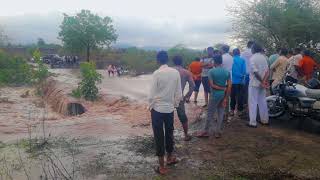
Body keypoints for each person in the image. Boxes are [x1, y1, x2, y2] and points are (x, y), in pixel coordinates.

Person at [148, 51, 182, 175]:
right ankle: (170, 157)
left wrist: (150, 106)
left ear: (158, 61)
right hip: (169, 109)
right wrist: (174, 105)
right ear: (167, 60)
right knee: (169, 132)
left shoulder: (157, 73)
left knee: (158, 136)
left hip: (157, 109)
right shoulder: (175, 72)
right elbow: (179, 93)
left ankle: (162, 167)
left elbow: (151, 94)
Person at [196, 54, 231, 138]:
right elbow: (229, 86)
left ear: (214, 61)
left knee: (210, 113)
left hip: (214, 95)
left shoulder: (211, 71)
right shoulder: (226, 71)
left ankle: (205, 131)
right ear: (221, 61)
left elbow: (212, 85)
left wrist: (221, 88)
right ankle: (218, 132)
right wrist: (226, 98)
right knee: (220, 113)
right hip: (223, 95)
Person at [173, 55, 195, 141]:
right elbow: (193, 86)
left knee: (168, 115)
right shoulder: (186, 72)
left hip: (168, 97)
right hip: (179, 97)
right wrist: (187, 96)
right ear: (182, 62)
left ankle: (170, 135)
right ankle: (186, 135)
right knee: (182, 116)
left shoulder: (169, 71)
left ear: (173, 62)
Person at [248, 43, 270, 128]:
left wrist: (262, 81)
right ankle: (265, 120)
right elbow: (268, 71)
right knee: (262, 101)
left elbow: (255, 72)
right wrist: (264, 82)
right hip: (262, 84)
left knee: (253, 102)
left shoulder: (252, 58)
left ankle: (252, 122)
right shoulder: (264, 58)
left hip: (254, 83)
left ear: (253, 49)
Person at [230, 48, 246, 117]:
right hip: (241, 81)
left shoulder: (232, 60)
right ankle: (239, 111)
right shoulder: (242, 60)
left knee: (232, 96)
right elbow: (244, 71)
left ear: (233, 53)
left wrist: (238, 75)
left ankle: (232, 111)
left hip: (233, 81)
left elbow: (232, 71)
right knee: (240, 97)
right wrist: (241, 76)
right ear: (239, 53)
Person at [221, 45, 233, 119]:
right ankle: (226, 113)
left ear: (223, 49)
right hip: (229, 77)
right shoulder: (231, 57)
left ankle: (221, 114)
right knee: (227, 96)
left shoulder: (222, 57)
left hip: (222, 78)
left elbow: (220, 66)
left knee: (221, 96)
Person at [241, 41, 254, 106]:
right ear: (251, 45)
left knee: (245, 89)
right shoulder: (253, 53)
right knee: (252, 89)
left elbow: (241, 63)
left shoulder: (243, 53)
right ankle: (251, 103)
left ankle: (245, 103)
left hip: (245, 74)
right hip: (252, 74)